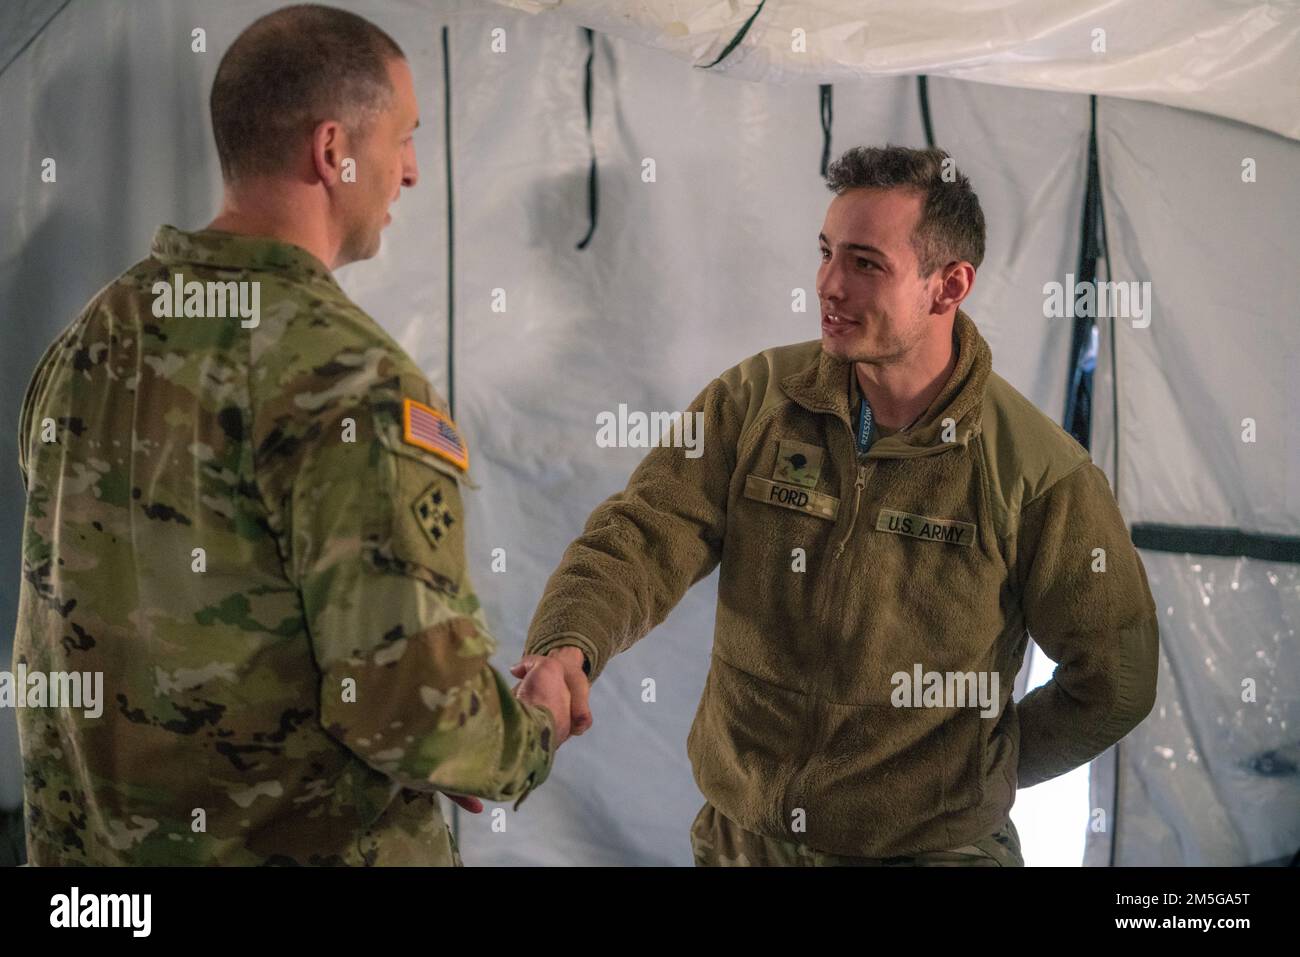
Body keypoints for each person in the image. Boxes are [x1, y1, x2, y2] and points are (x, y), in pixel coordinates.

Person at [12, 3, 574, 866]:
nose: (412, 173)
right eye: (404, 138)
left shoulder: (95, 332)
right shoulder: (352, 379)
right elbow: (415, 714)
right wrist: (524, 728)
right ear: (331, 152)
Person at [519, 145, 1160, 866]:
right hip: (744, 845)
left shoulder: (1036, 471)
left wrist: (977, 768)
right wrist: (566, 645)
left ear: (948, 286)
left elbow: (1116, 678)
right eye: (826, 253)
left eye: (865, 263)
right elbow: (642, 535)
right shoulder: (757, 400)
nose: (828, 284)